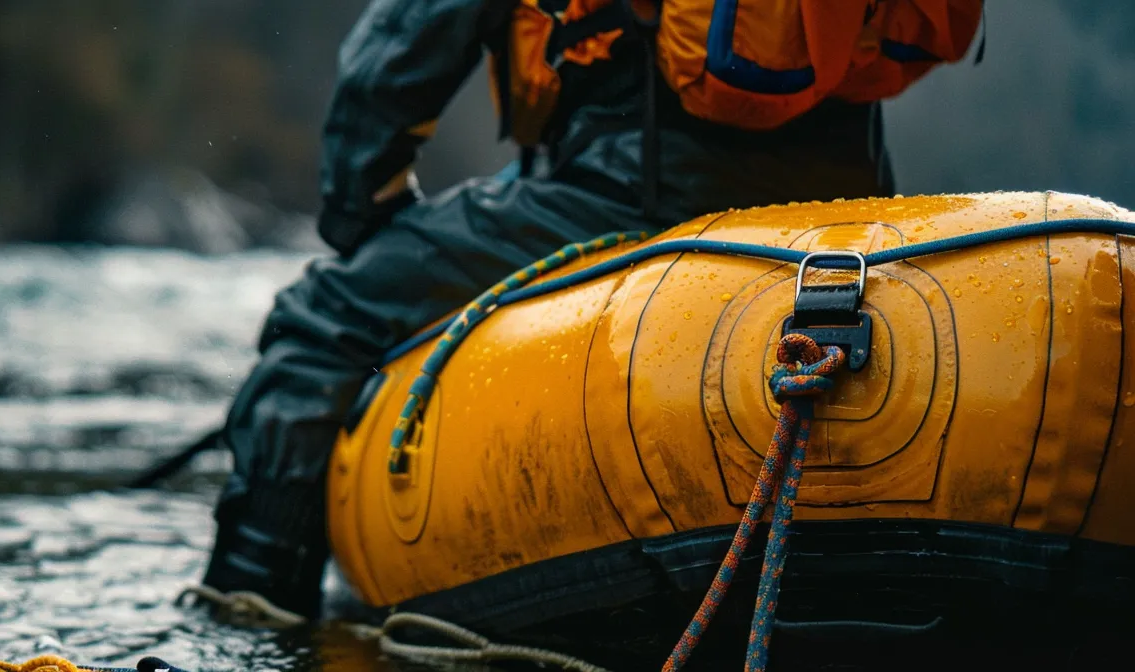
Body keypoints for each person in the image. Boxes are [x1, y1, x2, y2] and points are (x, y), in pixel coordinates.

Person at [193, 0, 979, 620]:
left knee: (319, 321)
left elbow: (401, 49)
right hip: (844, 202)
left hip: (633, 190)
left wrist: (363, 219)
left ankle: (252, 614)